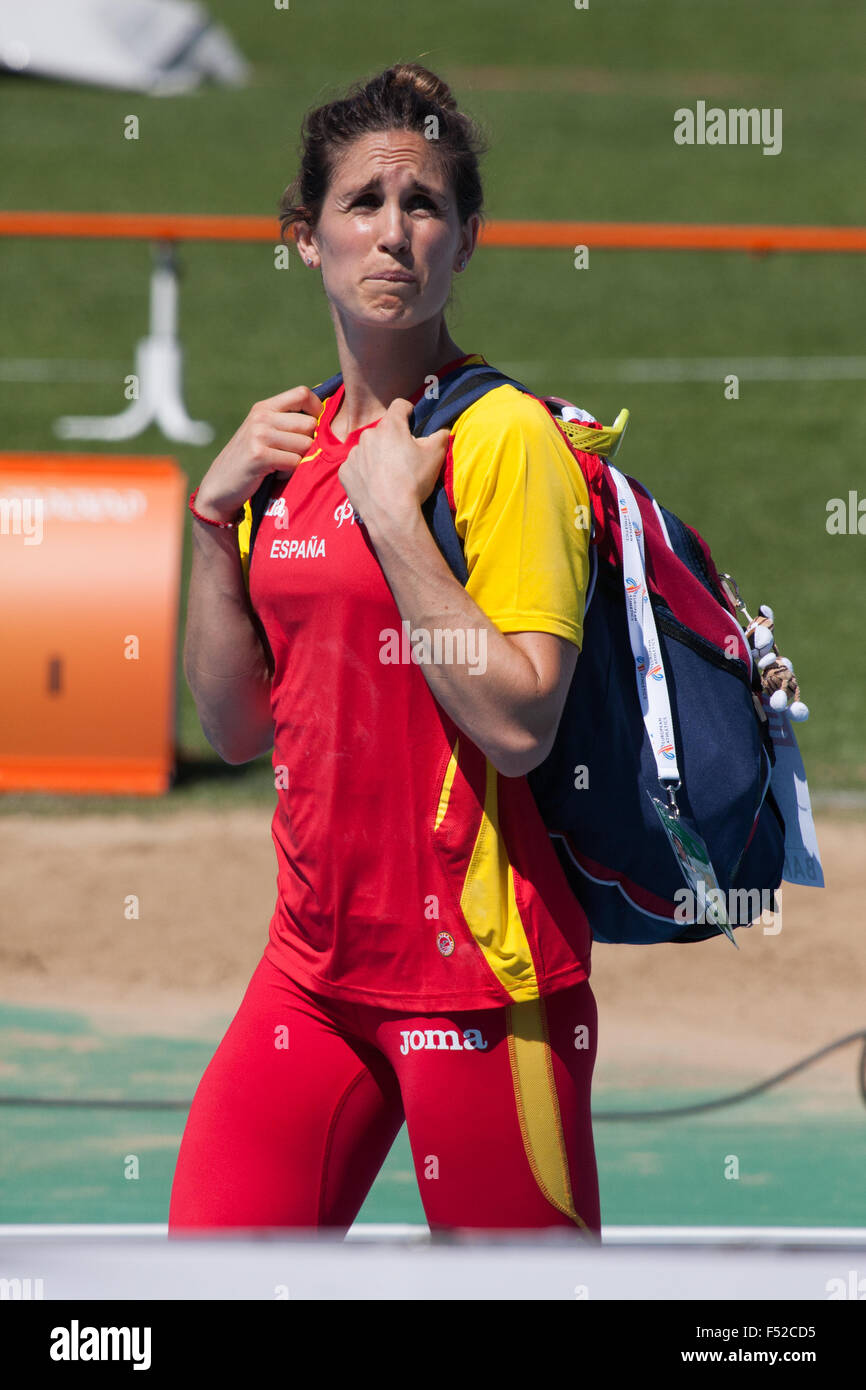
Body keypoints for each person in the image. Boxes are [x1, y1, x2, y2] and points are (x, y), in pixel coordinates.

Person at [169, 63, 601, 1238]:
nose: (393, 233)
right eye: (362, 203)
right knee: (194, 1283)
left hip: (479, 988)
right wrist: (212, 528)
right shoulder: (288, 446)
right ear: (303, 238)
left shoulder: (507, 441)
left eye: (424, 207)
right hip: (309, 979)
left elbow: (520, 725)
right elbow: (237, 725)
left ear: (466, 239)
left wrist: (397, 525)